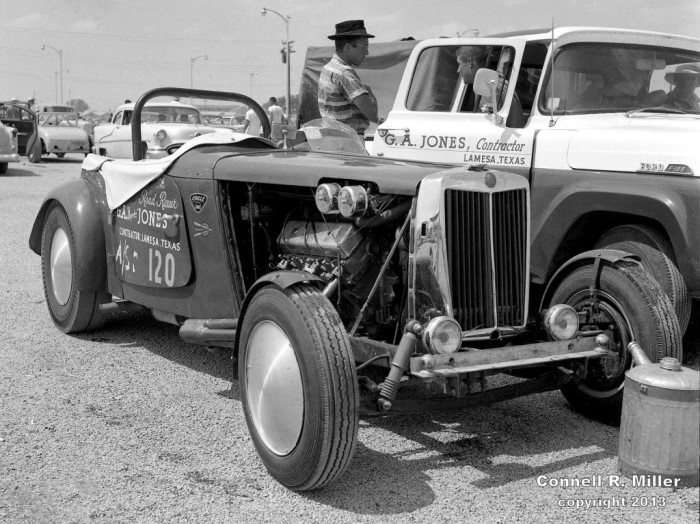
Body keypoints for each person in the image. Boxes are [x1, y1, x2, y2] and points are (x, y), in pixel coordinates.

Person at [317, 19, 380, 135]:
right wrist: (368, 91)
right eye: (364, 47)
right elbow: (372, 114)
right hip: (349, 143)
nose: (367, 53)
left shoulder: (328, 68)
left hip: (334, 140)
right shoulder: (344, 74)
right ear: (348, 47)